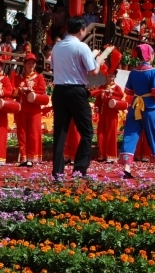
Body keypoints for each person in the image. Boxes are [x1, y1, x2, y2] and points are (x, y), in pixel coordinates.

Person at [49, 17, 107, 177]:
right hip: (76, 90)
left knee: (60, 132)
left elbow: (54, 68)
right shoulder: (82, 47)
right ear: (82, 30)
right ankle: (80, 169)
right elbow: (93, 72)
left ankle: (58, 172)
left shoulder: (57, 46)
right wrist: (100, 60)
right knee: (87, 131)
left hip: (59, 90)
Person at [119, 44, 155, 178]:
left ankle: (127, 167)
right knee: (153, 135)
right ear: (149, 55)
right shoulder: (153, 71)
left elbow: (128, 91)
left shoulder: (133, 72)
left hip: (135, 106)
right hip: (148, 107)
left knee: (130, 134)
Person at [12, 52, 47, 167]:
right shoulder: (18, 77)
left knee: (33, 133)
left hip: (34, 109)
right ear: (24, 64)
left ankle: (32, 158)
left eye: (32, 63)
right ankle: (24, 157)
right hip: (21, 109)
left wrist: (31, 89)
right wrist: (20, 90)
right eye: (28, 63)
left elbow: (42, 89)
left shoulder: (39, 77)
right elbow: (13, 90)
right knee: (21, 133)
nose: (31, 65)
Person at [93, 70, 125, 163]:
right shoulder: (102, 87)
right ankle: (102, 155)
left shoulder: (117, 88)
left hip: (112, 113)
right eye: (109, 74)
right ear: (106, 76)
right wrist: (96, 107)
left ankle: (110, 156)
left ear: (115, 76)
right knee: (101, 133)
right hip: (102, 113)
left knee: (111, 133)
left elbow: (120, 96)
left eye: (113, 74)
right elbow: (98, 99)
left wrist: (111, 92)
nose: (111, 75)